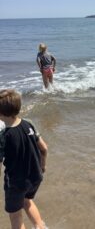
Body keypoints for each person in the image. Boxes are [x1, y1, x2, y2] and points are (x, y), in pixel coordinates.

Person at [0, 89, 48, 229]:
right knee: (27, 201)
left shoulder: (3, 136)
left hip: (16, 182)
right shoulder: (29, 124)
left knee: (15, 214)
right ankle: (41, 227)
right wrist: (43, 166)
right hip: (35, 176)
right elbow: (44, 148)